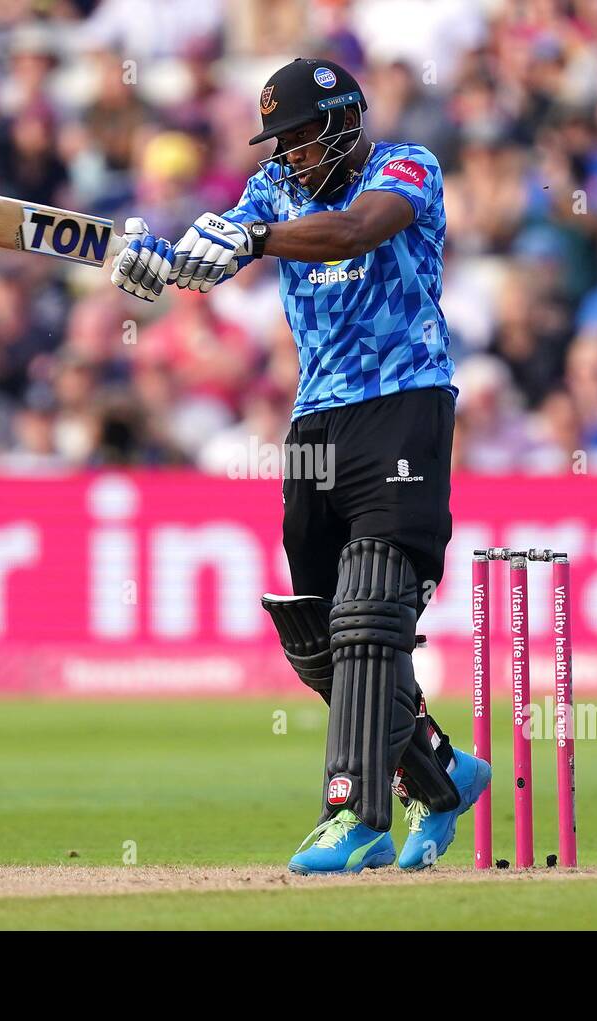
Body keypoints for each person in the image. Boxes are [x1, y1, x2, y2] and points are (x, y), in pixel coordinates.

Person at [111, 58, 490, 874]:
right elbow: (217, 255)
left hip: (404, 403)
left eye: (300, 137)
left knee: (370, 613)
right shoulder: (273, 190)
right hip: (315, 420)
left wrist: (249, 236)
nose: (288, 156)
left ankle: (356, 815)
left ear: (344, 120)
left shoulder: (405, 166)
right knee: (320, 632)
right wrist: (163, 268)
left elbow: (353, 230)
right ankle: (440, 770)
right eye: (276, 142)